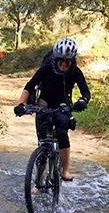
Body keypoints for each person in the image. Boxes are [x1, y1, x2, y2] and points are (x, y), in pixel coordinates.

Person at [13, 37, 91, 181]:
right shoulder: (47, 68)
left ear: (72, 60)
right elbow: (30, 86)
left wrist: (82, 100)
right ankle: (39, 181)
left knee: (62, 135)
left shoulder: (75, 72)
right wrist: (21, 104)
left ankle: (65, 171)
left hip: (63, 105)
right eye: (60, 59)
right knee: (43, 142)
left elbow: (85, 91)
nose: (63, 63)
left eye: (67, 60)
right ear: (56, 58)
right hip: (44, 103)